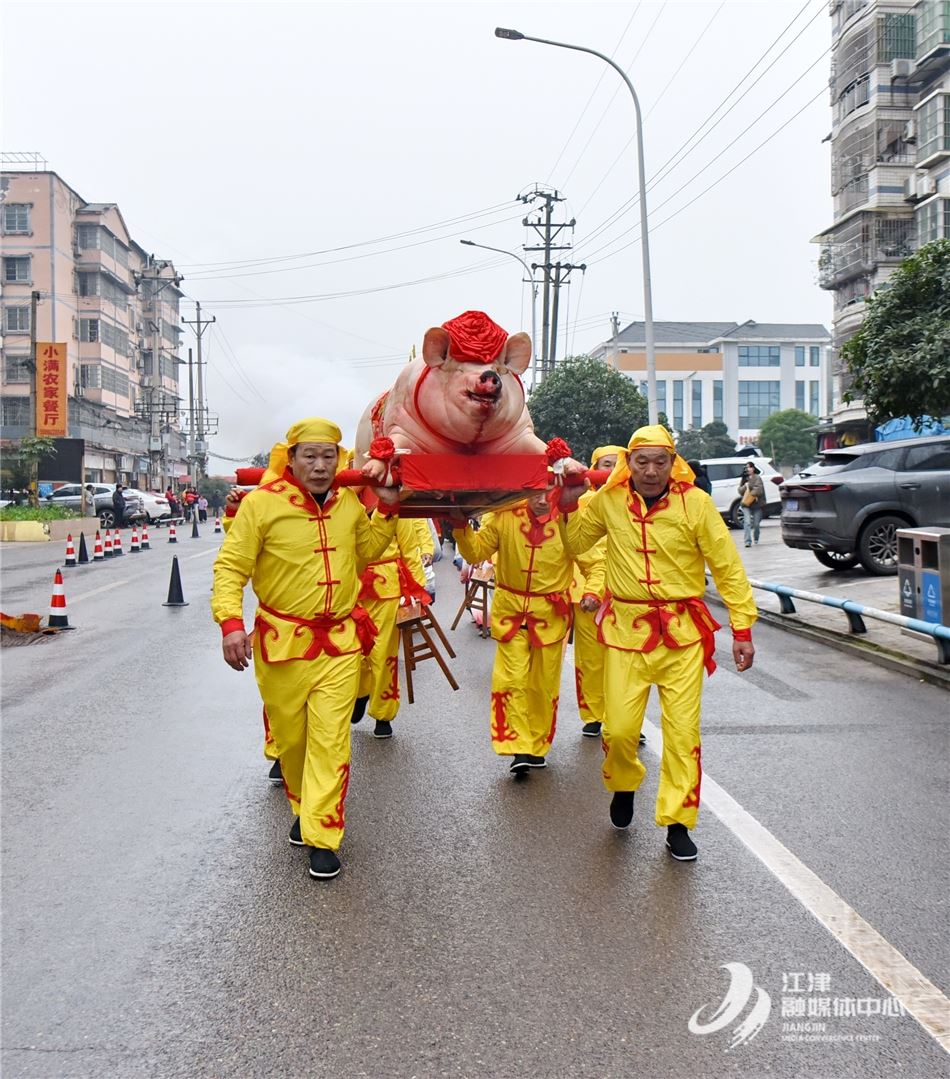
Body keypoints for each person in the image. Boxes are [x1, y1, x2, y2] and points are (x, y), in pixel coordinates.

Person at [211, 417, 401, 880]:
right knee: (292, 742)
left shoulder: (349, 505)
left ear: (340, 459)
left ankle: (323, 835)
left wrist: (390, 509)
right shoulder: (260, 506)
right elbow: (231, 567)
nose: (320, 466)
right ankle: (304, 805)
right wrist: (231, 624)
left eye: (329, 456)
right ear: (290, 458)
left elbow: (369, 549)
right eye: (310, 456)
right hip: (282, 645)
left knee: (331, 740)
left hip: (338, 644)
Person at [558, 424, 757, 861]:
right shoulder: (608, 501)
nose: (650, 471)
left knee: (683, 734)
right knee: (620, 729)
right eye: (641, 461)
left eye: (659, 461)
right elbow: (574, 544)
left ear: (673, 462)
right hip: (626, 631)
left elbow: (727, 567)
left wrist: (742, 629)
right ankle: (624, 783)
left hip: (682, 636)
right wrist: (569, 505)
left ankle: (678, 821)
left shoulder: (697, 504)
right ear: (629, 463)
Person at [454, 490, 573, 775]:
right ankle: (519, 746)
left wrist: (593, 590)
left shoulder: (569, 520)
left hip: (550, 614)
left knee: (543, 685)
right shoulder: (505, 517)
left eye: (550, 492)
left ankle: (537, 743)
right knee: (511, 678)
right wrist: (460, 526)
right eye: (536, 492)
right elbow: (477, 552)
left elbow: (591, 560)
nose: (542, 499)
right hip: (511, 613)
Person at [350, 514, 428, 738]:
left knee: (384, 653)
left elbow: (410, 547)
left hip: (388, 591)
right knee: (354, 651)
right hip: (350, 588)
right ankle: (360, 693)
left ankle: (383, 715)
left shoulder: (393, 509)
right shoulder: (343, 503)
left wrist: (416, 591)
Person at [571, 445, 625, 740]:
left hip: (627, 592)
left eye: (617, 465)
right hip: (589, 593)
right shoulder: (583, 502)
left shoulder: (634, 500)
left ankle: (624, 720)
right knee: (591, 659)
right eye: (605, 464)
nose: (611, 471)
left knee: (626, 662)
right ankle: (593, 714)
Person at [737, 460, 766, 547]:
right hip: (746, 504)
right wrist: (744, 486)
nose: (748, 469)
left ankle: (756, 538)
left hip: (757, 505)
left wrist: (749, 487)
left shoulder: (757, 478)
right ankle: (747, 541)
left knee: (756, 524)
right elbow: (740, 491)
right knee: (747, 522)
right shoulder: (744, 478)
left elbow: (759, 490)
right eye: (747, 467)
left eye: (750, 467)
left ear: (753, 468)